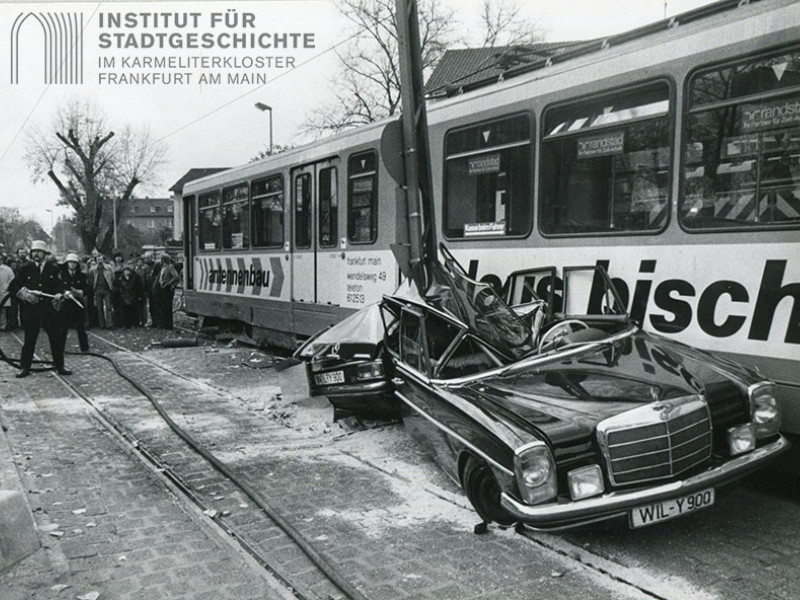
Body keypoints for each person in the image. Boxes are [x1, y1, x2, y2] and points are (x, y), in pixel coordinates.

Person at [8, 240, 70, 378]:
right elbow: (13, 286)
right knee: (29, 340)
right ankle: (25, 368)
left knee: (56, 339)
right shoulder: (25, 268)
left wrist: (60, 294)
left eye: (39, 251)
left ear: (44, 253)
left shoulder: (53, 269)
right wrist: (24, 295)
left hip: (49, 311)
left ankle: (60, 366)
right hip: (31, 311)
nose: (36, 254)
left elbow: (59, 286)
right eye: (34, 251)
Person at [60, 253, 90, 352]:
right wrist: (63, 292)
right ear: (67, 264)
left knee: (81, 328)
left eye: (74, 263)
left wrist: (80, 292)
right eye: (70, 262)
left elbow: (87, 288)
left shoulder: (82, 276)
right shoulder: (62, 275)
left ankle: (84, 348)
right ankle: (60, 348)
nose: (72, 265)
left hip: (78, 304)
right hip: (65, 304)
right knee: (63, 328)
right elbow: (56, 287)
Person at [153, 255, 179, 329]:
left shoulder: (170, 267)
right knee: (163, 306)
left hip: (167, 289)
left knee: (167, 307)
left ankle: (168, 325)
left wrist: (168, 283)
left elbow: (176, 276)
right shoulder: (163, 268)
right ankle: (163, 323)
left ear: (164, 260)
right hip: (162, 288)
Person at [90, 255, 115, 329]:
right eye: (98, 259)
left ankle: (109, 324)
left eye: (101, 259)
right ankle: (102, 324)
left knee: (108, 307)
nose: (100, 261)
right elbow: (91, 279)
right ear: (96, 261)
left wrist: (110, 285)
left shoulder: (109, 268)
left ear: (103, 260)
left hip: (106, 289)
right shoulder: (93, 269)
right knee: (99, 308)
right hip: (97, 290)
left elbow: (113, 278)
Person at [0, 255, 14, 330]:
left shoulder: (8, 270)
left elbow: (12, 280)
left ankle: (3, 325)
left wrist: (7, 287)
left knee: (3, 311)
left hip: (5, 293)